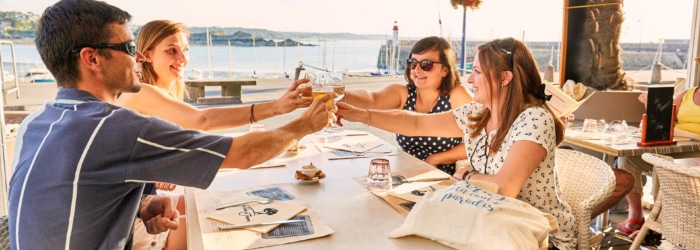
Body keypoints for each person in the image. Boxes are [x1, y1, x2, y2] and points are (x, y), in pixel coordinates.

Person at [7, 1, 333, 249]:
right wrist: (303, 124)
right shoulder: (114, 126)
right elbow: (242, 154)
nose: (139, 58)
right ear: (92, 59)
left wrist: (141, 204)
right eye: (129, 48)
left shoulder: (35, 121)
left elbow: (68, 197)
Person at [338, 37, 629, 249]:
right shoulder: (478, 113)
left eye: (477, 71)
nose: (468, 78)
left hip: (539, 237)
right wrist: (360, 115)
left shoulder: (534, 119)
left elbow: (504, 188)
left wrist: (465, 174)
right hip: (493, 222)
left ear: (505, 78)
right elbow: (414, 122)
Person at [115, 20, 312, 250]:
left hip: (146, 203)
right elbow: (204, 120)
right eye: (172, 50)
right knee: (227, 227)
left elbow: (187, 143)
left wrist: (163, 168)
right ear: (146, 55)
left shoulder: (164, 92)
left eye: (185, 49)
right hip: (134, 222)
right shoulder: (141, 92)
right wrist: (276, 108)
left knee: (230, 206)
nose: (183, 58)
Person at [341, 36, 472, 176]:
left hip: (440, 177)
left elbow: (479, 140)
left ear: (445, 70)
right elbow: (372, 99)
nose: (417, 70)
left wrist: (435, 159)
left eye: (426, 64)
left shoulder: (456, 94)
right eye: (413, 63)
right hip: (404, 174)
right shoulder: (403, 93)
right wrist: (334, 95)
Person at [617, 86, 700, 236]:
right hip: (676, 145)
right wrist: (651, 105)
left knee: (661, 163)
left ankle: (659, 223)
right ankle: (636, 216)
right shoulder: (687, 94)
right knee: (628, 159)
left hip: (696, 152)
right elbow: (663, 118)